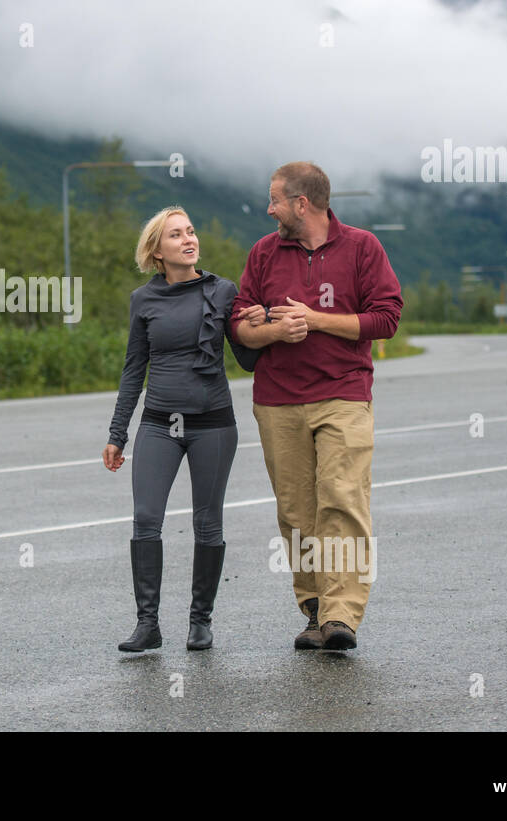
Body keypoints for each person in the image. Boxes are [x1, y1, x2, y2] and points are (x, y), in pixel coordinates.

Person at [230, 162, 402, 651]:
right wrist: (273, 330)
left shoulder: (363, 247)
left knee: (342, 499)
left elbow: (386, 318)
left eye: (275, 199)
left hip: (344, 394)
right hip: (278, 400)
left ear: (302, 204)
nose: (269, 208)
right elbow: (239, 327)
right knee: (296, 512)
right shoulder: (264, 253)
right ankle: (314, 610)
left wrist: (316, 320)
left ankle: (342, 614)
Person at [104, 206, 263, 652]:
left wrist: (262, 327)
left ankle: (200, 622)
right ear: (158, 251)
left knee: (207, 522)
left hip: (213, 424)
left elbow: (247, 360)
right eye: (176, 235)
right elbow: (134, 370)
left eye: (191, 231)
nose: (189, 240)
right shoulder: (143, 301)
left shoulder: (224, 291)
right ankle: (147, 624)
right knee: (146, 519)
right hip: (158, 424)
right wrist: (118, 434)